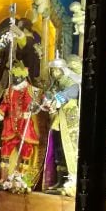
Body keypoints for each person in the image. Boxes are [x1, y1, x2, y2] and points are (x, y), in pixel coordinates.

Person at [0, 61, 43, 184]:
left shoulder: (31, 90)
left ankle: (22, 177)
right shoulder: (8, 91)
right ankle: (4, 177)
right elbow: (4, 105)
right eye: (13, 76)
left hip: (24, 125)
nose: (15, 78)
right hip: (10, 125)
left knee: (27, 150)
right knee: (5, 151)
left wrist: (34, 107)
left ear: (23, 76)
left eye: (17, 76)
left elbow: (37, 104)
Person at [41, 56, 81, 193]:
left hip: (70, 118)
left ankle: (71, 180)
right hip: (59, 119)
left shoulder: (71, 81)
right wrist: (48, 100)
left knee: (69, 147)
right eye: (52, 71)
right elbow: (51, 95)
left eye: (55, 70)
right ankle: (60, 180)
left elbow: (74, 90)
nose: (53, 73)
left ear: (61, 70)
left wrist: (58, 98)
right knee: (58, 147)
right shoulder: (56, 84)